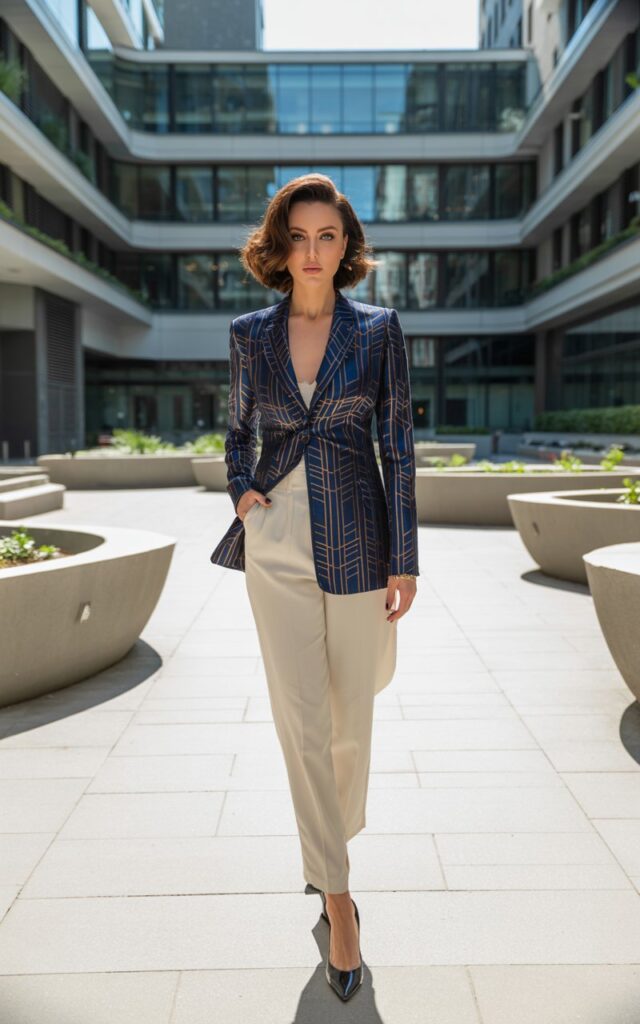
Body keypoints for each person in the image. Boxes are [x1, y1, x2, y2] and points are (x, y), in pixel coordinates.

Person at [210, 172, 419, 1001]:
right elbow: (236, 431)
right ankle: (338, 902)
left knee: (348, 721)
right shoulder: (249, 335)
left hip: (360, 532)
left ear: (346, 246)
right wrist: (242, 492)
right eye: (297, 237)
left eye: (326, 236)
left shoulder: (378, 330)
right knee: (302, 721)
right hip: (278, 540)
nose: (312, 252)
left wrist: (405, 556)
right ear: (279, 246)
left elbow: (398, 446)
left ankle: (330, 847)